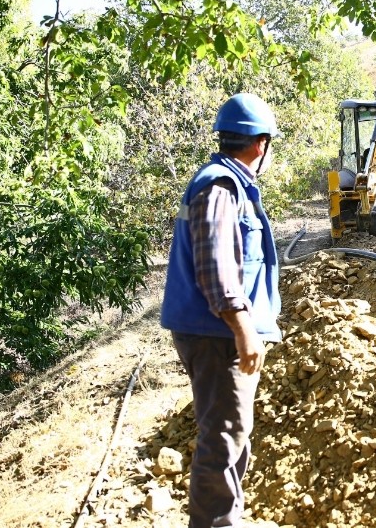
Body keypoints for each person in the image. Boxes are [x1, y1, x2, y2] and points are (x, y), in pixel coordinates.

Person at [160, 93, 282, 527]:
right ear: (260, 143)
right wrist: (243, 328)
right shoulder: (220, 186)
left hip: (217, 331)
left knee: (232, 432)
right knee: (224, 437)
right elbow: (215, 266)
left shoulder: (228, 183)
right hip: (218, 334)